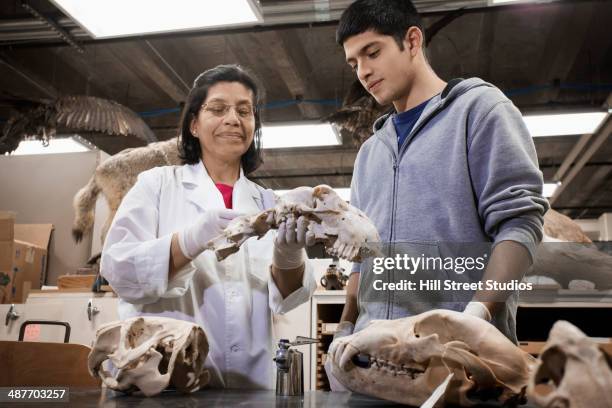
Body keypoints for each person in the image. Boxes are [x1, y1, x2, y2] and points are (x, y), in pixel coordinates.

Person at [327, 0, 549, 381]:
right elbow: (363, 258)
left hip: (459, 370)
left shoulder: (480, 111)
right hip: (375, 371)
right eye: (353, 63)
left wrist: (474, 319)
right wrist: (346, 326)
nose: (363, 71)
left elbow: (520, 225)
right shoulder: (370, 154)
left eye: (372, 52)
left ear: (412, 41)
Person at [101, 64, 316, 390]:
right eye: (218, 109)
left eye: (244, 111)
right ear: (194, 125)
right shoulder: (156, 185)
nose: (233, 118)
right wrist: (187, 242)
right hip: (166, 383)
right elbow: (118, 269)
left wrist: (288, 255)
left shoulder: (267, 202)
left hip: (249, 384)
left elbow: (287, 298)